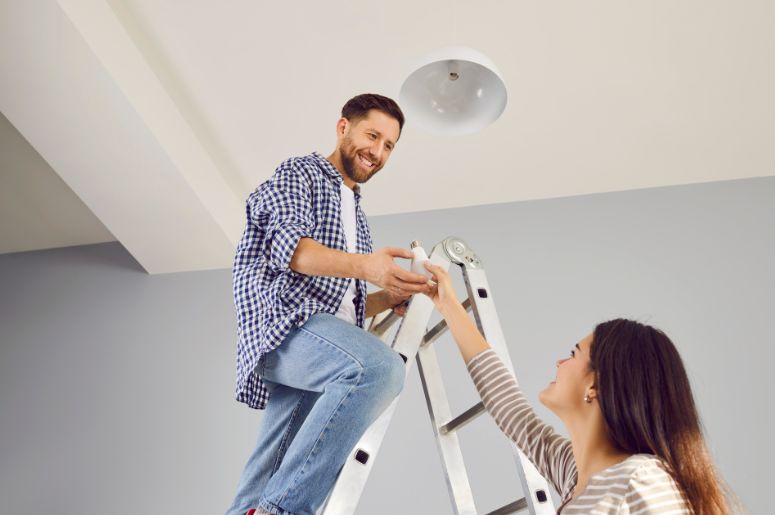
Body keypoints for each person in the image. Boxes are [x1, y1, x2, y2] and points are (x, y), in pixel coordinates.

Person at [226, 94, 431, 515]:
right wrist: (368, 268)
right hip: (285, 326)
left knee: (263, 478)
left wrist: (387, 296)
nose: (378, 152)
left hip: (322, 344)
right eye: (372, 135)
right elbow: (292, 251)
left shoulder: (356, 213)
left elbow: (343, 302)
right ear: (343, 129)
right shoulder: (300, 174)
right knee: (378, 368)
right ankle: (280, 511)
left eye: (389, 145)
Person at [423, 261, 732, 514]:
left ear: (595, 384)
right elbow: (512, 412)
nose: (559, 362)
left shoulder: (641, 478)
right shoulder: (579, 477)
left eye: (573, 354)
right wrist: (450, 306)